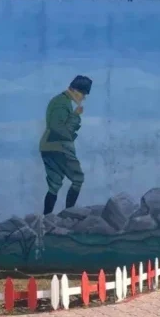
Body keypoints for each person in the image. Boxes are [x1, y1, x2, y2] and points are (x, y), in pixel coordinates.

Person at [40, 76, 92, 215]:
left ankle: (46, 219)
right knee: (78, 178)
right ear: (74, 90)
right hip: (59, 147)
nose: (83, 98)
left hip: (48, 146)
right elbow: (61, 129)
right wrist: (75, 116)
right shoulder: (62, 103)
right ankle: (68, 215)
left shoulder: (60, 101)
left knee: (54, 184)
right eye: (83, 94)